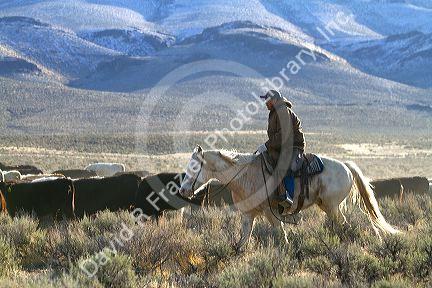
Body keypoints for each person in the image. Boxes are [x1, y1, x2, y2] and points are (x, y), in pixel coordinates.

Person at [257, 90, 305, 205]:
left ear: (274, 101)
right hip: (281, 147)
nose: (265, 103)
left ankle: (289, 198)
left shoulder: (282, 111)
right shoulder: (274, 112)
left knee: (286, 166)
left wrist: (266, 145)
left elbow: (284, 135)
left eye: (267, 100)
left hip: (294, 146)